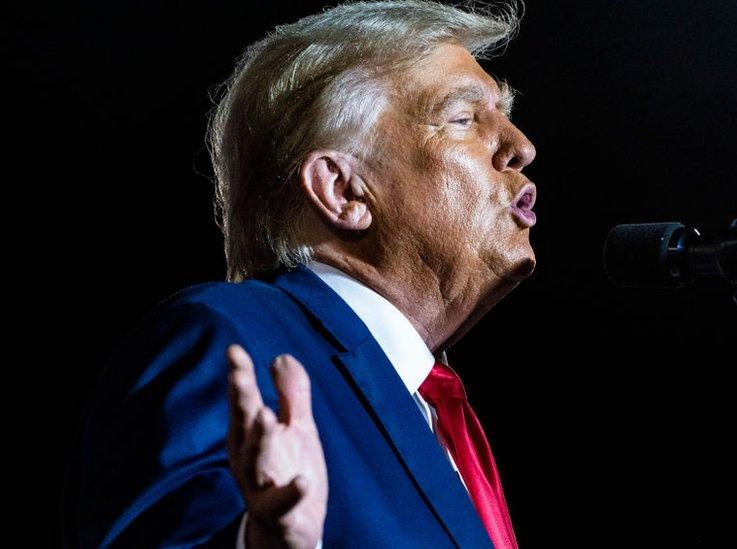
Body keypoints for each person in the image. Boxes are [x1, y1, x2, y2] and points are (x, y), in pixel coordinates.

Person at [64, 0, 537, 547]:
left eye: (505, 114)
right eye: (462, 119)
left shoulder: (435, 410)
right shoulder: (230, 338)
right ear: (344, 190)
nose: (522, 146)